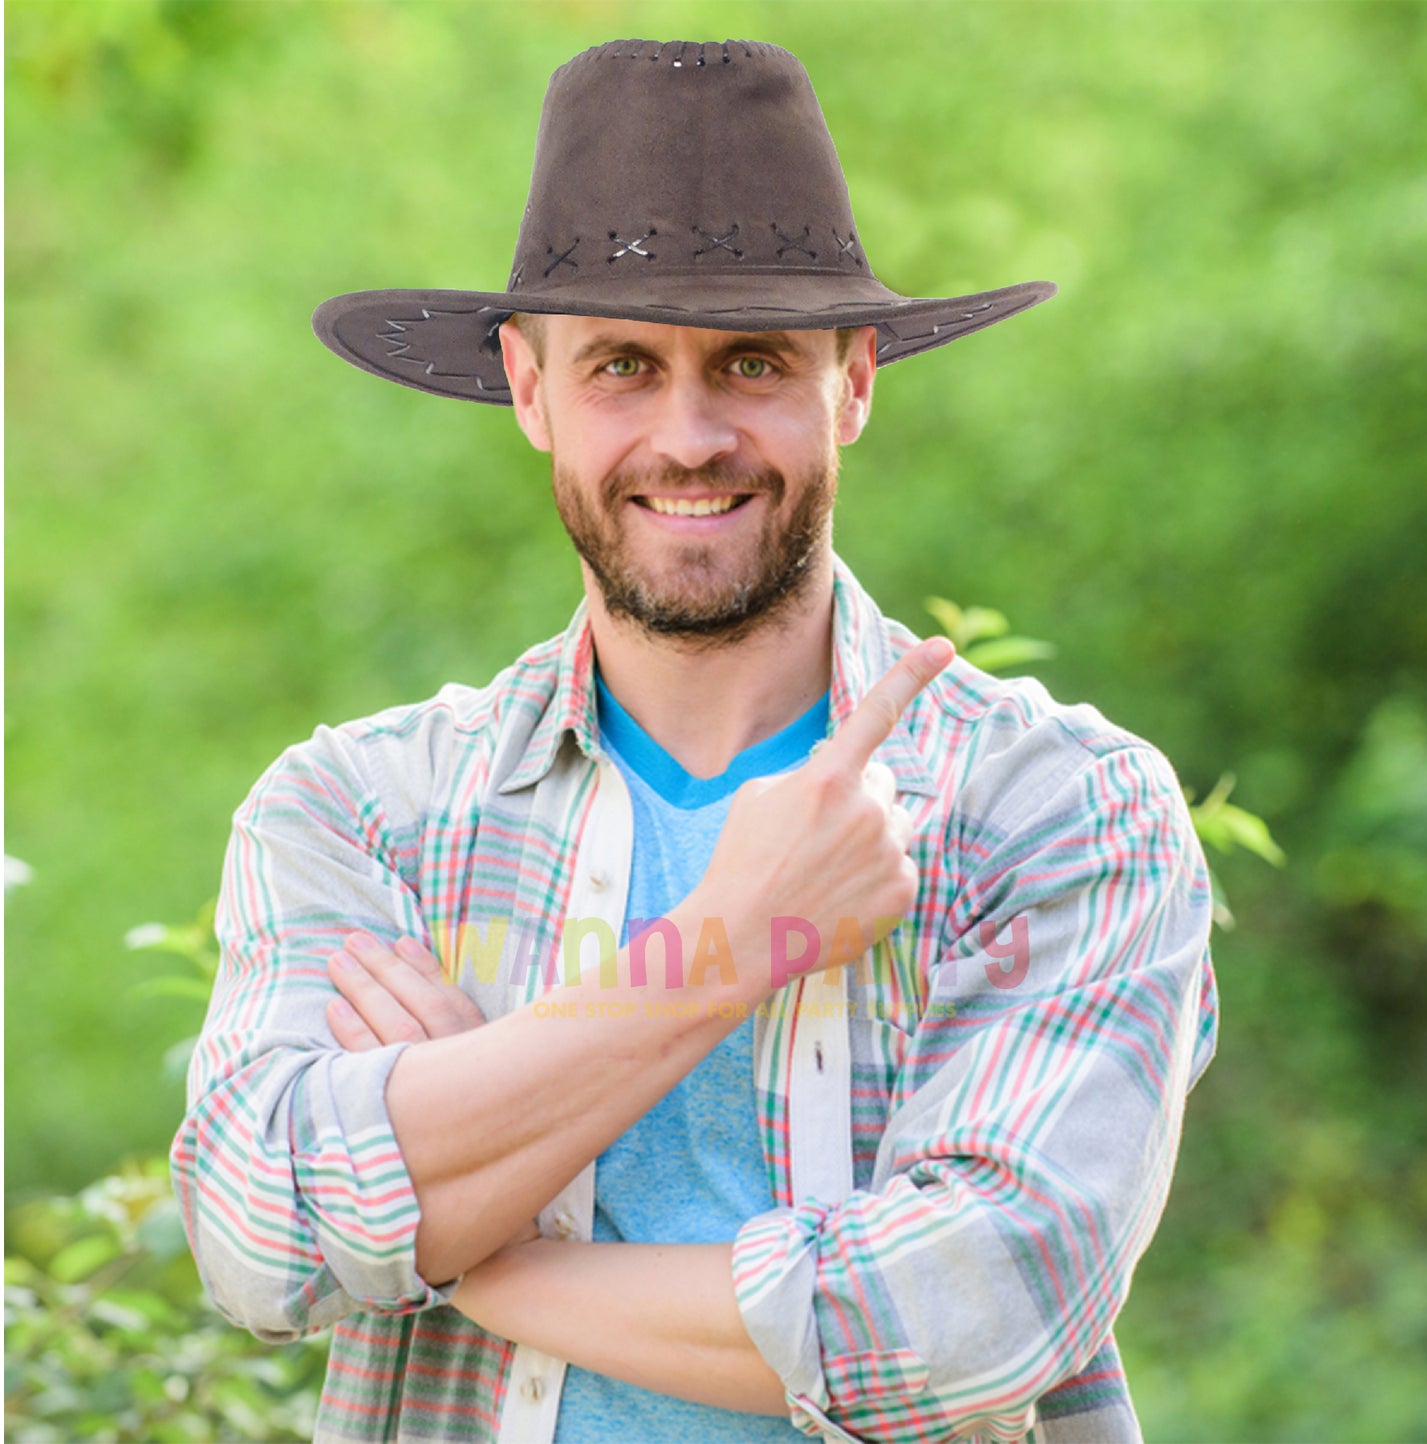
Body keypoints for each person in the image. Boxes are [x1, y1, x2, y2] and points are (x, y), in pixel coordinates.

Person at [172, 38, 1218, 1444]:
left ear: (850, 383)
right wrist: (734, 942)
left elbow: (981, 1319)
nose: (687, 435)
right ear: (528, 388)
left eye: (749, 362)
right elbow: (259, 1238)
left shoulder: (1055, 808)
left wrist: (465, 1242)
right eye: (619, 366)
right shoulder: (363, 812)